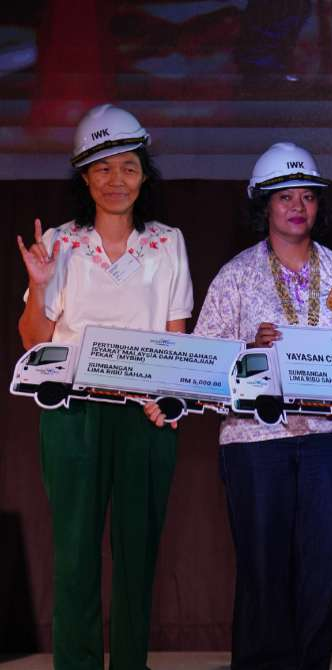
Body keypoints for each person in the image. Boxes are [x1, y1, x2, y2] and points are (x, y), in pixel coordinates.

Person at [193, 142, 332, 670]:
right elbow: (202, 364)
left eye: (307, 196)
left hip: (328, 438)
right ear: (264, 206)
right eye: (285, 197)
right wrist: (248, 351)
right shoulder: (236, 276)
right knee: (263, 564)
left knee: (322, 562)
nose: (298, 206)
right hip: (255, 440)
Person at [16, 104, 194, 670]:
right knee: (74, 555)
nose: (117, 180)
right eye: (103, 169)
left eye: (129, 167)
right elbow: (32, 343)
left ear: (145, 175)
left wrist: (167, 402)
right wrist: (39, 285)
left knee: (137, 555)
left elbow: (176, 337)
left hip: (144, 417)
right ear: (84, 176)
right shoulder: (61, 245)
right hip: (73, 415)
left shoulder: (168, 242)